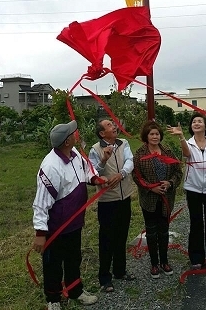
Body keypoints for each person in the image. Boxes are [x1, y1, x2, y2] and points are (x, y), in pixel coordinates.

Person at [32, 120, 108, 309]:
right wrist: (40, 234)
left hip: (74, 222)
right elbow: (41, 203)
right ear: (67, 141)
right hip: (56, 227)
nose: (77, 134)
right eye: (74, 133)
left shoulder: (74, 154)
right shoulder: (50, 166)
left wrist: (97, 179)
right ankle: (53, 300)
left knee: (74, 259)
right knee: (53, 265)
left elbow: (87, 172)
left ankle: (75, 291)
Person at [167, 112, 206, 272]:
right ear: (191, 127)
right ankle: (197, 257)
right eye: (194, 122)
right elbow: (186, 154)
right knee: (196, 222)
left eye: (200, 121)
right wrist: (180, 136)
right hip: (193, 189)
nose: (197, 123)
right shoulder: (188, 143)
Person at [88, 119, 135, 293]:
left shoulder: (124, 143)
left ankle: (120, 271)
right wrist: (103, 160)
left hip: (125, 196)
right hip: (107, 200)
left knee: (122, 235)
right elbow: (92, 173)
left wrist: (122, 173)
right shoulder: (95, 149)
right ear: (102, 133)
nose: (114, 127)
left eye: (113, 125)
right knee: (107, 239)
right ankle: (104, 278)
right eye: (109, 126)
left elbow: (130, 160)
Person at [133, 120, 183, 279]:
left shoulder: (167, 150)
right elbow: (136, 176)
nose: (155, 137)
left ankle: (165, 261)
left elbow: (178, 172)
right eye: (151, 134)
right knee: (151, 231)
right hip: (149, 199)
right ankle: (154, 263)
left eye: (157, 134)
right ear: (146, 136)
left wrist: (170, 183)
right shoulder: (140, 153)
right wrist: (150, 187)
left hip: (166, 197)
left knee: (164, 230)